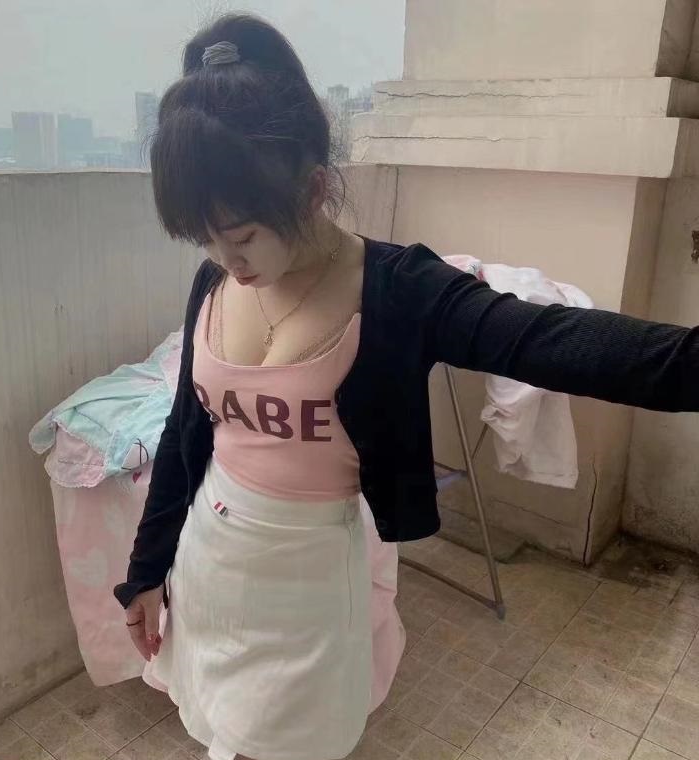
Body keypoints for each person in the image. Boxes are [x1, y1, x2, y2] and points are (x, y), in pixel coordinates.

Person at [113, 13, 699, 760]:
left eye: (244, 235)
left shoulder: (397, 287)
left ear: (313, 189)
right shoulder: (214, 284)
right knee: (217, 730)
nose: (228, 260)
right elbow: (185, 435)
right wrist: (146, 571)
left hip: (307, 587)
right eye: (206, 239)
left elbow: (549, 342)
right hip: (209, 563)